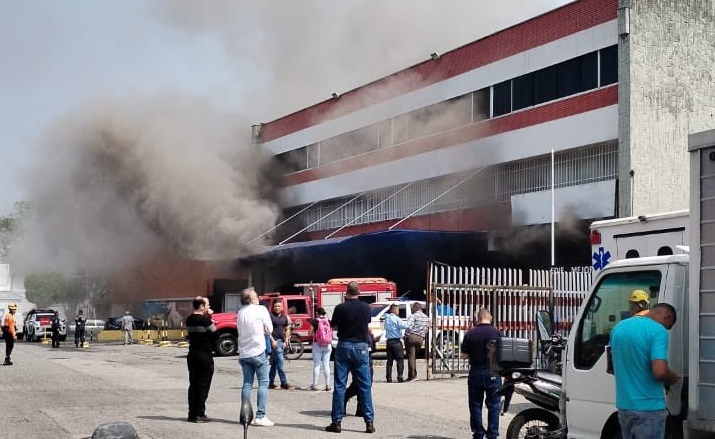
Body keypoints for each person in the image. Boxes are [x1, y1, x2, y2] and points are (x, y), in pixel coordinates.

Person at [611, 302, 679, 438]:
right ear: (667, 316)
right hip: (649, 408)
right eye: (668, 326)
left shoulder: (619, 327)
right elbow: (660, 371)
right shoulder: (657, 331)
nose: (666, 329)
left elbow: (612, 366)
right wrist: (672, 377)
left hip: (624, 407)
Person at [325, 281, 375, 434]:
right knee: (365, 385)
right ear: (359, 292)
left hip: (344, 346)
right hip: (361, 347)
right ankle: (369, 423)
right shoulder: (366, 307)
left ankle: (337, 422)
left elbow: (334, 326)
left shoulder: (340, 308)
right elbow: (366, 324)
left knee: (340, 385)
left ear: (346, 292)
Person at [460, 308, 502, 439]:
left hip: (476, 372)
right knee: (494, 405)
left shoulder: (470, 334)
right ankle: (492, 434)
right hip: (494, 372)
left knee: (475, 404)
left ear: (477, 318)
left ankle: (478, 433)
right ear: (490, 318)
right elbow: (503, 354)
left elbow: (464, 355)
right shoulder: (498, 334)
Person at [237, 288, 275, 427]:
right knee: (263, 383)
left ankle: (245, 415)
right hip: (258, 350)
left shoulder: (240, 312)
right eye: (255, 295)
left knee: (247, 384)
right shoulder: (260, 310)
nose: (258, 297)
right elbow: (269, 329)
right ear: (251, 298)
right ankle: (260, 415)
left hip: (244, 352)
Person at [185, 296, 216, 423]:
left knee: (193, 384)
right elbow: (215, 334)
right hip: (204, 355)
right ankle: (199, 413)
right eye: (207, 304)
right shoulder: (205, 320)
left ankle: (192, 413)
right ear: (201, 306)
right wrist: (210, 317)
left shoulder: (189, 319)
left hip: (193, 354)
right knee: (203, 385)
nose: (209, 307)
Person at [344, 328, 375, 417]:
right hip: (360, 359)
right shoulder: (357, 331)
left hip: (366, 359)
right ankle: (345, 397)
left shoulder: (366, 330)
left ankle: (360, 408)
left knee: (366, 384)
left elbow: (371, 347)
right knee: (359, 384)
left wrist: (373, 339)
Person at [268, 301, 295, 390]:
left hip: (281, 341)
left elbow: (287, 328)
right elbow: (267, 329)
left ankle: (270, 382)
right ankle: (284, 383)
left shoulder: (284, 317)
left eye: (279, 306)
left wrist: (287, 340)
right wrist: (272, 341)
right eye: (275, 306)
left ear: (282, 308)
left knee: (275, 364)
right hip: (274, 342)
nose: (277, 308)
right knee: (280, 362)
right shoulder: (270, 316)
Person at [403, 302, 429, 381]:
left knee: (411, 357)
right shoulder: (426, 317)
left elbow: (407, 326)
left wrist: (405, 335)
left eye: (412, 308)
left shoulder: (413, 316)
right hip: (420, 338)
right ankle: (412, 374)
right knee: (414, 357)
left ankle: (412, 376)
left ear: (415, 308)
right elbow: (427, 328)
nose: (411, 309)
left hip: (412, 337)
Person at [308, 307, 332, 391]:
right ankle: (328, 385)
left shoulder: (314, 321)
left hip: (317, 344)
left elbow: (309, 332)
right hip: (328, 345)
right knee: (326, 365)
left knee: (317, 365)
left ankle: (314, 384)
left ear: (317, 313)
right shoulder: (328, 321)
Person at [384, 304, 407, 383]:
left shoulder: (386, 319)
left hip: (389, 341)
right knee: (400, 360)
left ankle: (388, 377)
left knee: (389, 361)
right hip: (396, 341)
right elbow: (404, 326)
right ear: (394, 310)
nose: (398, 312)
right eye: (397, 310)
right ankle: (400, 377)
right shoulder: (397, 319)